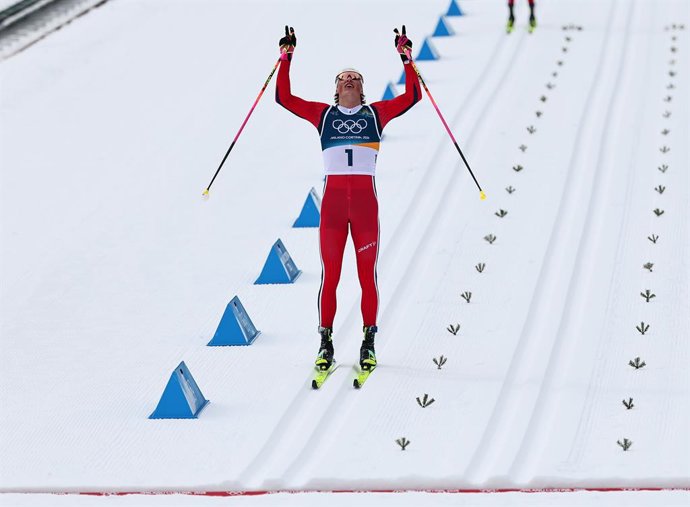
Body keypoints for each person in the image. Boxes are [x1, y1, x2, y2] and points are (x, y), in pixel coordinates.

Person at [275, 25, 421, 373]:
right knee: (332, 277)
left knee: (367, 277)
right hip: (334, 208)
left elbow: (413, 96)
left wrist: (407, 58)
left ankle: (368, 342)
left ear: (362, 89)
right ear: (337, 89)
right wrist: (286, 56)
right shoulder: (323, 115)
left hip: (366, 207)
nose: (349, 81)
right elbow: (284, 98)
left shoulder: (376, 114)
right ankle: (325, 343)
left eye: (355, 78)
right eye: (344, 78)